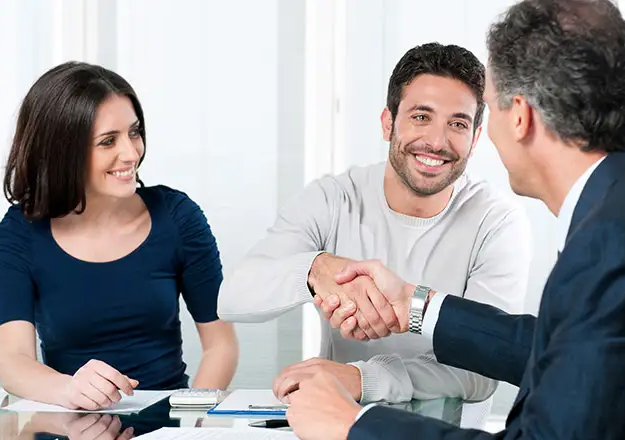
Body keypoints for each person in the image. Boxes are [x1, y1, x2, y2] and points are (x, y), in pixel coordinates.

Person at [286, 0, 625, 439]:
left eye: (485, 109)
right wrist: (416, 305)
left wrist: (353, 425)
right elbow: (566, 349)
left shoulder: (611, 241)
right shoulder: (620, 201)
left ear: (521, 116)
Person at [218, 43, 531, 415]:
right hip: (339, 425)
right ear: (388, 122)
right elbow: (233, 298)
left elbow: (484, 369)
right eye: (420, 116)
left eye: (458, 124)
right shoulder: (333, 199)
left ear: (476, 138)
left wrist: (365, 378)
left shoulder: (497, 221)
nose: (436, 140)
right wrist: (317, 270)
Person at [0, 62, 239, 411]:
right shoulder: (18, 235)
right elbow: (14, 363)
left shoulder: (178, 217)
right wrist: (70, 389)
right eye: (108, 141)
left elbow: (220, 345)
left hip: (167, 421)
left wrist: (189, 420)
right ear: (63, 151)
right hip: (69, 421)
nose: (131, 153)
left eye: (134, 133)